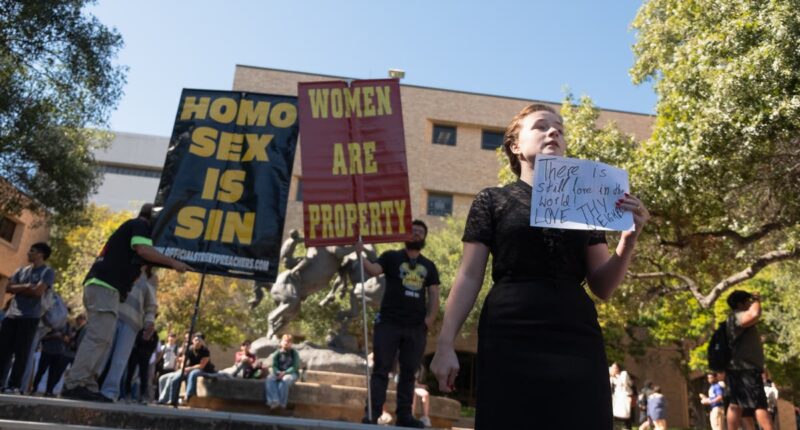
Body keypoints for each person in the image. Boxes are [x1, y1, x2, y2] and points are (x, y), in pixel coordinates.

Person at [430, 103, 650, 429]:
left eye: (559, 127)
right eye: (541, 126)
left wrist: (628, 241)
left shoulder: (586, 202)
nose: (554, 131)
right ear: (515, 146)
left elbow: (603, 286)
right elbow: (469, 275)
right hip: (509, 330)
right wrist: (445, 344)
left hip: (576, 332)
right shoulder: (491, 200)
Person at [61, 204, 190, 402]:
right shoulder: (139, 225)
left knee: (103, 340)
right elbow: (144, 250)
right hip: (104, 287)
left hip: (106, 288)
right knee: (98, 338)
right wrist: (173, 262)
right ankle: (75, 384)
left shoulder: (132, 230)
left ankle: (87, 385)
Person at [357, 219, 441, 428]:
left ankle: (405, 416)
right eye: (413, 231)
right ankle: (372, 414)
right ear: (405, 234)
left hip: (415, 328)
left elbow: (434, 294)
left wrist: (429, 320)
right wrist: (360, 252)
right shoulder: (391, 257)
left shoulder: (429, 266)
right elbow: (373, 270)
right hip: (389, 323)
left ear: (424, 237)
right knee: (381, 370)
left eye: (420, 232)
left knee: (408, 373)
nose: (416, 234)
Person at [0, 242, 55, 394]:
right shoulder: (21, 270)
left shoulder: (47, 272)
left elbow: (38, 292)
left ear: (41, 254)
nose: (28, 253)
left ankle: (14, 385)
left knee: (21, 353)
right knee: (3, 351)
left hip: (30, 317)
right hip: (11, 315)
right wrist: (28, 286)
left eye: (32, 251)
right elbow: (9, 288)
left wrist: (20, 288)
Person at [99, 268, 157, 401]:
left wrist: (149, 322)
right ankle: (91, 387)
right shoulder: (123, 263)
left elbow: (151, 305)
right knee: (101, 354)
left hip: (132, 321)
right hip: (110, 313)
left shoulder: (151, 277)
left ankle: (110, 392)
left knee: (120, 359)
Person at [724, 290, 773, 430]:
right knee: (759, 404)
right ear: (740, 304)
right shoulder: (737, 317)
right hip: (746, 370)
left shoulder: (733, 319)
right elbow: (754, 314)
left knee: (738, 406)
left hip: (740, 370)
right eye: (748, 302)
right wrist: (757, 299)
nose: (751, 304)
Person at [157, 332, 214, 404]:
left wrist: (188, 369)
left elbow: (202, 365)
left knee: (193, 374)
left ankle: (189, 396)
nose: (197, 342)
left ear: (202, 342)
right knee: (173, 379)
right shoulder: (189, 349)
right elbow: (183, 361)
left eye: (199, 340)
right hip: (188, 369)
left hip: (202, 370)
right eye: (196, 340)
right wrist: (183, 368)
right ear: (193, 341)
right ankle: (171, 400)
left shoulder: (205, 351)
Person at [31, 324, 70, 396]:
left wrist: (63, 337)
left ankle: (49, 391)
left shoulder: (66, 325)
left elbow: (67, 339)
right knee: (41, 371)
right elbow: (41, 337)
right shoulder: (49, 323)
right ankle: (34, 388)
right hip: (46, 351)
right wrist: (52, 336)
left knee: (53, 373)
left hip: (59, 352)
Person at [124, 326, 159, 403]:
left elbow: (154, 346)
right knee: (130, 373)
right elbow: (136, 341)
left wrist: (148, 352)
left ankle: (143, 395)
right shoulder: (139, 329)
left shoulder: (154, 334)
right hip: (135, 354)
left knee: (144, 376)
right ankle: (127, 394)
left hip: (145, 356)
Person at [265, 334, 300, 409]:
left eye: (288, 341)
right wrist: (277, 372)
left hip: (291, 373)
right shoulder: (277, 353)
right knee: (270, 378)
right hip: (279, 372)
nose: (286, 343)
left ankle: (282, 404)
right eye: (285, 341)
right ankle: (274, 401)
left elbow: (295, 366)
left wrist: (285, 373)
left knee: (285, 380)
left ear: (291, 343)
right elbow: (274, 366)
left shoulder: (294, 353)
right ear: (281, 342)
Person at [610, 362, 634, 429]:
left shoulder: (624, 374)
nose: (612, 369)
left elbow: (624, 383)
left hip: (624, 398)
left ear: (618, 368)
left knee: (625, 416)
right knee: (615, 416)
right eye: (612, 367)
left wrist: (614, 376)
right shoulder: (613, 378)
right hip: (617, 399)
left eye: (614, 367)